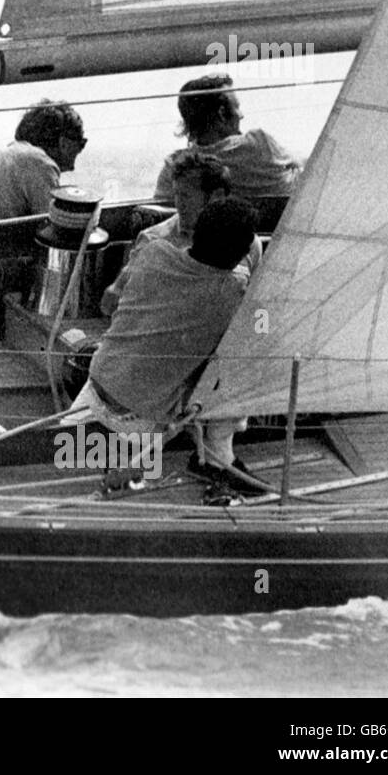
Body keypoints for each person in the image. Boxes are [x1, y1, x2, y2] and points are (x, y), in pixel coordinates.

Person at [72, 197, 261, 490]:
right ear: (240, 253)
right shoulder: (233, 294)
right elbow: (262, 333)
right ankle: (216, 457)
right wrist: (262, 303)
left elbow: (112, 304)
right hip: (139, 422)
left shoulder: (154, 252)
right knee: (246, 362)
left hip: (96, 389)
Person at [101, 149, 263, 315]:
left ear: (217, 196)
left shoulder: (248, 243)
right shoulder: (153, 240)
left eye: (186, 196)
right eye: (176, 194)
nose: (179, 204)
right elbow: (110, 303)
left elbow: (259, 304)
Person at [153, 74, 299, 201]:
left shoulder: (174, 167)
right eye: (237, 107)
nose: (241, 115)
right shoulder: (260, 143)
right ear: (222, 113)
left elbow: (161, 209)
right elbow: (299, 169)